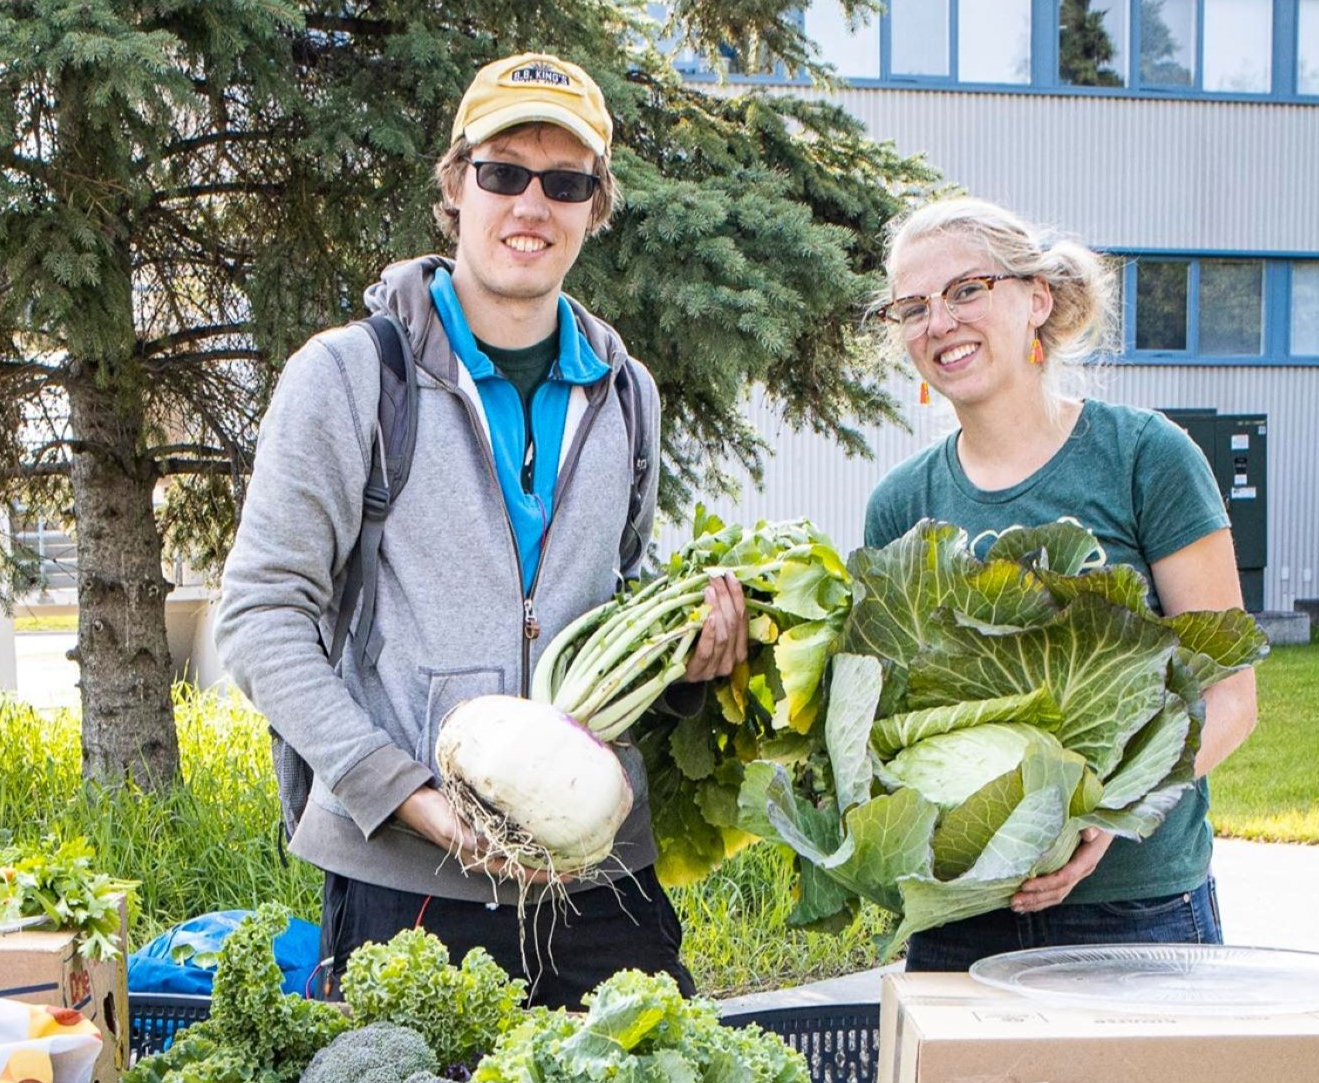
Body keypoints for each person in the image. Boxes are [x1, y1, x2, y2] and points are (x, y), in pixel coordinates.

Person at [215, 52, 746, 1006]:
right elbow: (261, 616)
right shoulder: (350, 376)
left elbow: (614, 591)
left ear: (596, 205)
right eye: (504, 173)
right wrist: (401, 792)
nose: (531, 206)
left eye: (565, 182)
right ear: (457, 185)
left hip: (598, 876)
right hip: (409, 878)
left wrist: (688, 652)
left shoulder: (626, 394)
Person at [861, 196, 1261, 972]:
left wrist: (1113, 810)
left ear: (1037, 299)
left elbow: (1232, 697)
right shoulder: (901, 505)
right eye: (912, 307)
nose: (939, 323)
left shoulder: (1145, 458)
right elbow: (889, 717)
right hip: (962, 920)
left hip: (1137, 911)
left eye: (967, 290)